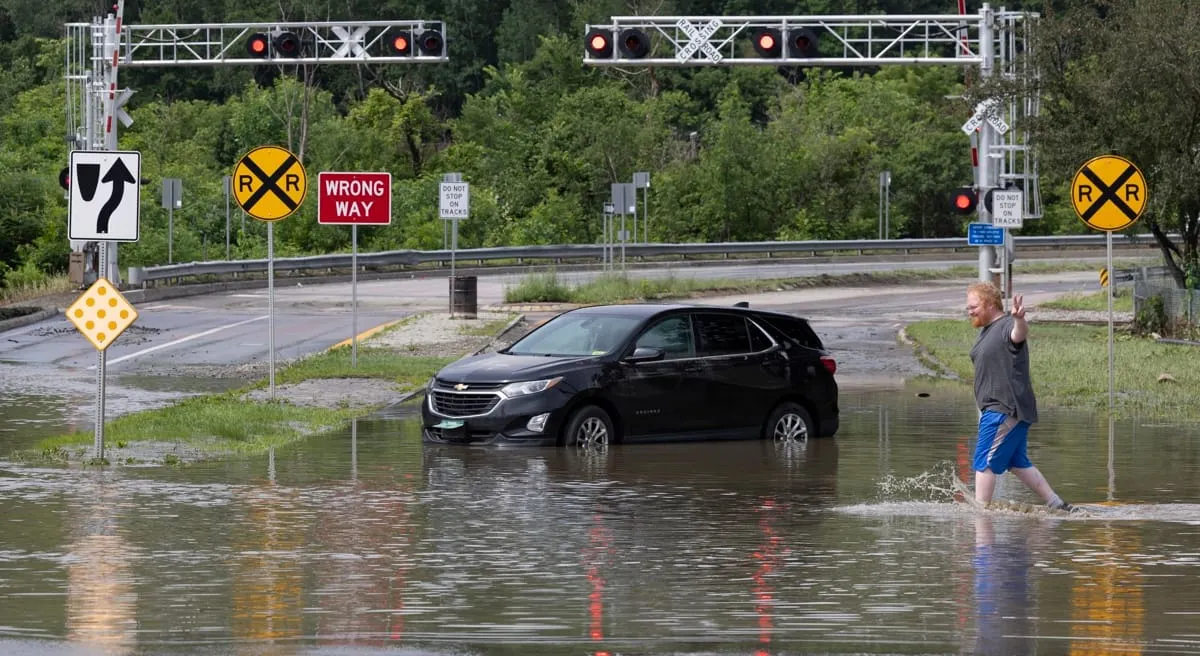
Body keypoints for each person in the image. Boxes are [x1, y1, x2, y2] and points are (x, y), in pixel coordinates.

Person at [965, 281, 1075, 512]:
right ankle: (1058, 505)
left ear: (990, 304)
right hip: (1006, 409)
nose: (970, 312)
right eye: (968, 308)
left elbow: (1019, 335)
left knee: (983, 461)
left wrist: (1019, 319)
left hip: (1003, 408)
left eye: (973, 307)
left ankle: (980, 515)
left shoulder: (1007, 325)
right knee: (1017, 462)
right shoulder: (987, 331)